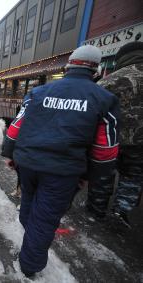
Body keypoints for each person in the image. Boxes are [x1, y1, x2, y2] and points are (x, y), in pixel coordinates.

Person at [1, 45, 119, 277]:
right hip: (62, 172)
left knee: (30, 210)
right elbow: (105, 148)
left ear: (69, 66)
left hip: (28, 165)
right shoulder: (104, 99)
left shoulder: (38, 93)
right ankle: (29, 268)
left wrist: (10, 155)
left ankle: (31, 242)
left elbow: (16, 127)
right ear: (96, 69)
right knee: (43, 221)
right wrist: (91, 177)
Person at [87, 41, 143, 227]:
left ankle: (97, 208)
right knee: (133, 176)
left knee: (104, 173)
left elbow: (93, 111)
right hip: (140, 143)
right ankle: (122, 209)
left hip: (109, 139)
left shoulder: (108, 81)